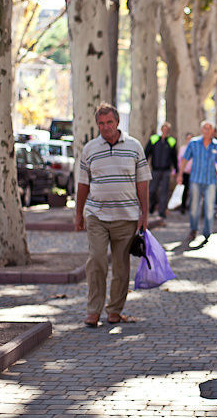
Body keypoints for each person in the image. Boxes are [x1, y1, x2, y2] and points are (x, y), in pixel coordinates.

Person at [75, 103, 150, 327]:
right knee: (96, 261)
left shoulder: (134, 147)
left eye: (109, 122)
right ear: (97, 124)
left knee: (121, 267)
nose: (105, 127)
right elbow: (82, 184)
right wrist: (78, 214)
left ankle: (115, 311)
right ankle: (93, 311)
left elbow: (142, 183)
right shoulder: (89, 149)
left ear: (117, 122)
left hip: (126, 217)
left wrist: (144, 215)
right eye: (101, 123)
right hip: (96, 215)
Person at [177, 121, 217, 242]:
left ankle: (207, 232)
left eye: (209, 128)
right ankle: (193, 230)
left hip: (210, 181)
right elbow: (185, 159)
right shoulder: (194, 143)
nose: (207, 130)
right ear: (201, 130)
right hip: (195, 180)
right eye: (205, 128)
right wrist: (180, 174)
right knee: (194, 207)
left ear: (213, 131)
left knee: (209, 208)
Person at [144, 122, 178, 222]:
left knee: (164, 192)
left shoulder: (171, 141)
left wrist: (176, 170)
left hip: (166, 170)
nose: (165, 131)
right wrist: (143, 165)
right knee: (151, 190)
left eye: (167, 129)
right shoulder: (154, 139)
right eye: (164, 129)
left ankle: (161, 212)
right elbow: (146, 152)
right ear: (161, 129)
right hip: (155, 170)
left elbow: (174, 157)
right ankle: (151, 207)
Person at [177, 133, 194, 213]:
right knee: (185, 190)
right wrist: (177, 172)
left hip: (194, 173)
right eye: (188, 138)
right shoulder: (182, 148)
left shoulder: (196, 149)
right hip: (185, 172)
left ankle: (192, 207)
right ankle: (183, 206)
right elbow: (179, 161)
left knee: (193, 190)